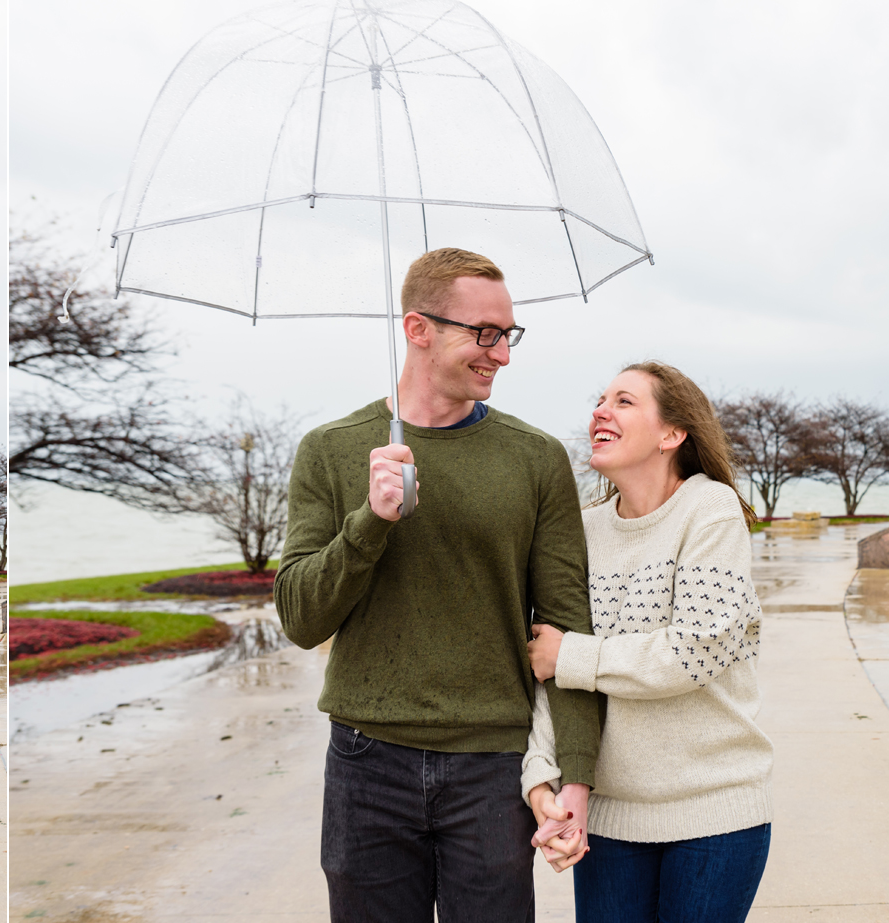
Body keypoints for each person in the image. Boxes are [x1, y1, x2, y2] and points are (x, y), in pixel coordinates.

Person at [275, 247, 602, 922]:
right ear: (417, 328)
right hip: (367, 759)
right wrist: (371, 521)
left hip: (493, 763)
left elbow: (568, 624)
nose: (501, 353)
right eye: (484, 333)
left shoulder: (537, 459)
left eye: (507, 334)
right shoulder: (331, 449)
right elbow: (301, 618)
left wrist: (575, 775)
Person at [521, 361, 774, 923]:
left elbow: (694, 650)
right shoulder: (583, 529)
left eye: (624, 401)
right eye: (600, 400)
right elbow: (548, 668)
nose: (600, 411)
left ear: (671, 433)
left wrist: (573, 656)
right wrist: (542, 777)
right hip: (607, 821)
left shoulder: (709, 510)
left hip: (715, 817)